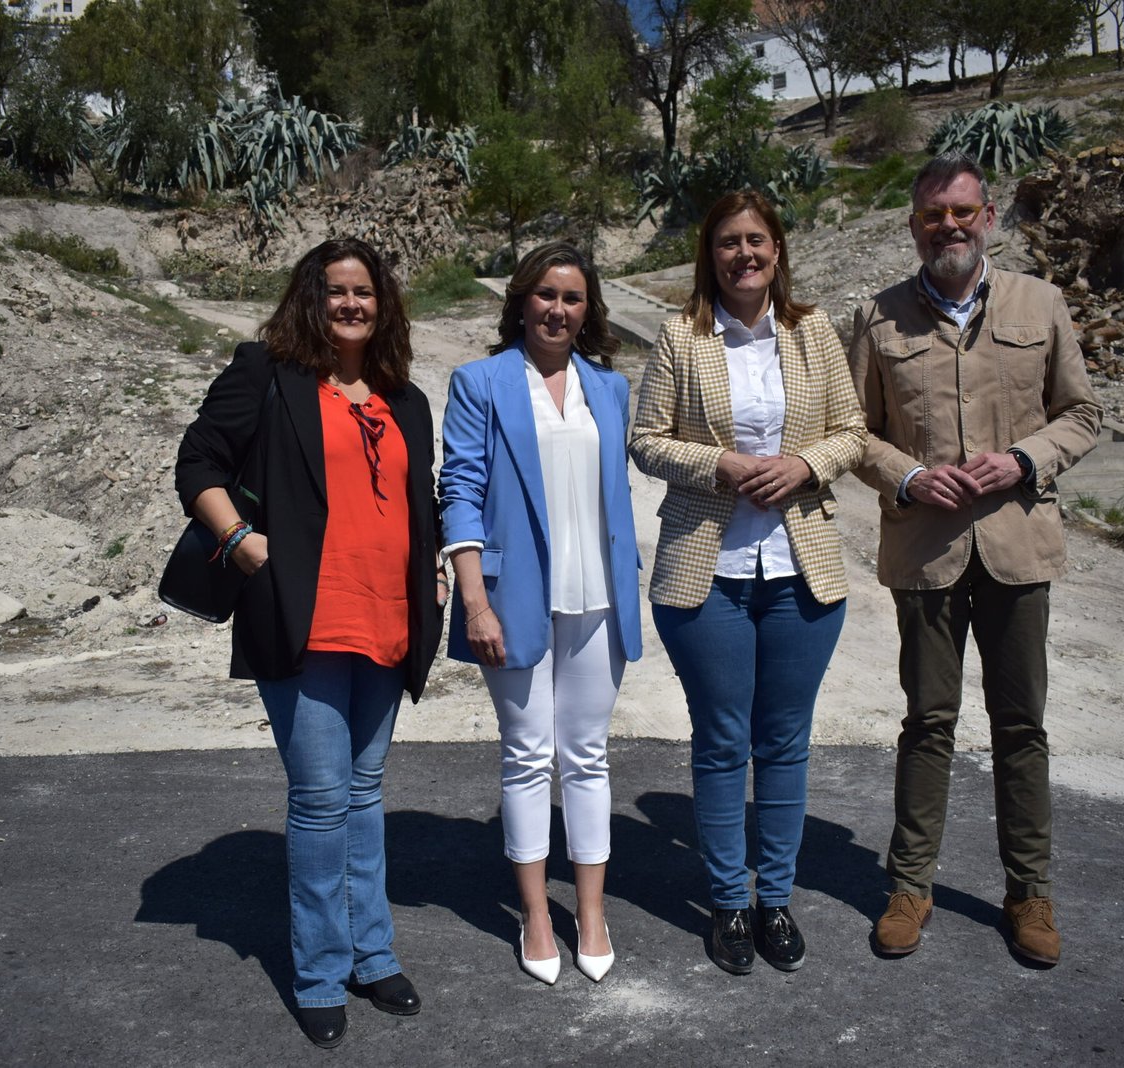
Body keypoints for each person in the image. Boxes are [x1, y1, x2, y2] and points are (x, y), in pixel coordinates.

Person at [175, 238, 443, 1047]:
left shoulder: (406, 400)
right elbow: (198, 462)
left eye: (365, 292)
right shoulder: (267, 372)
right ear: (310, 298)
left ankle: (372, 954)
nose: (351, 305)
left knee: (364, 794)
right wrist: (241, 543)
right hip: (304, 617)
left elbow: (416, 505)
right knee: (323, 801)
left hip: (386, 621)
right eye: (336, 292)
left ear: (383, 304)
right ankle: (322, 970)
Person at [846, 152, 1101, 967]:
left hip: (1019, 550)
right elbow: (855, 434)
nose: (947, 226)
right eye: (932, 215)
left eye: (961, 212)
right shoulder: (878, 320)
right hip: (927, 552)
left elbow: (1083, 413)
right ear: (914, 226)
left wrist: (1024, 460)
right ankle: (911, 885)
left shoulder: (1041, 302)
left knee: (1021, 725)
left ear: (987, 217)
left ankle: (1029, 892)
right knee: (928, 723)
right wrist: (912, 477)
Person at [629, 192, 867, 976]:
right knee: (724, 741)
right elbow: (647, 441)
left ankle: (777, 901)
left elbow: (853, 431)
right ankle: (730, 901)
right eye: (728, 242)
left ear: (777, 248)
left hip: (802, 570)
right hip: (709, 571)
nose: (743, 254)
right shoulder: (678, 335)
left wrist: (805, 464)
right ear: (711, 254)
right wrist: (721, 465)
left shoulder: (814, 331)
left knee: (786, 743)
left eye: (756, 239)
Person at [439, 241, 642, 985]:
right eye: (546, 294)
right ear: (521, 300)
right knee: (528, 754)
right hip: (514, 600)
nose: (559, 309)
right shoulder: (480, 382)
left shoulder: (611, 389)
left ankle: (590, 912)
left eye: (574, 298)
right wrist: (474, 601)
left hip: (599, 597)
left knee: (586, 755)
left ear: (589, 310)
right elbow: (457, 488)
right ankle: (533, 915)